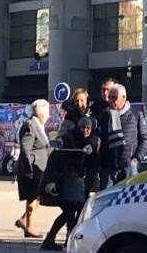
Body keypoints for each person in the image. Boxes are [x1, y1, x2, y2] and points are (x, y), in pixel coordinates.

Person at [39, 115, 100, 251]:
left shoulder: (92, 141)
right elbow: (55, 160)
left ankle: (62, 240)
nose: (85, 130)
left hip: (78, 184)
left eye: (87, 128)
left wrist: (91, 150)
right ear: (78, 128)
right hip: (65, 182)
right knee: (69, 213)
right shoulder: (69, 139)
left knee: (73, 213)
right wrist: (52, 181)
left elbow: (93, 155)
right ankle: (58, 240)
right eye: (83, 127)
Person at [14, 100, 52, 238]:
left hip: (39, 169)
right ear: (41, 112)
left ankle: (25, 221)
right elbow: (25, 149)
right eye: (47, 112)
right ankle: (29, 225)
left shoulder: (38, 125)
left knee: (37, 197)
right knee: (33, 197)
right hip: (32, 169)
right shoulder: (31, 125)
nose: (48, 115)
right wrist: (29, 169)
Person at [99, 83, 147, 189]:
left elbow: (144, 139)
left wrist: (136, 158)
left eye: (114, 97)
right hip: (108, 168)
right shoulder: (104, 116)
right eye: (110, 98)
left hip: (128, 166)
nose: (111, 101)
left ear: (124, 97)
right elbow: (99, 137)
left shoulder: (136, 114)